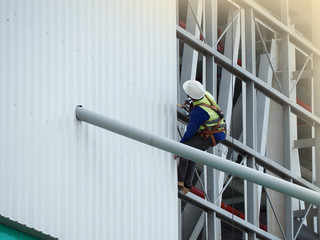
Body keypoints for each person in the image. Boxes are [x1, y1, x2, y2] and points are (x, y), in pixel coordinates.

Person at [177, 80, 226, 194]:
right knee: (193, 151)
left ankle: (181, 180)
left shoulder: (198, 112)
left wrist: (179, 146)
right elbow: (198, 103)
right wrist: (189, 104)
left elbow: (190, 132)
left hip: (212, 135)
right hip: (217, 130)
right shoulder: (206, 95)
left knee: (185, 148)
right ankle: (187, 183)